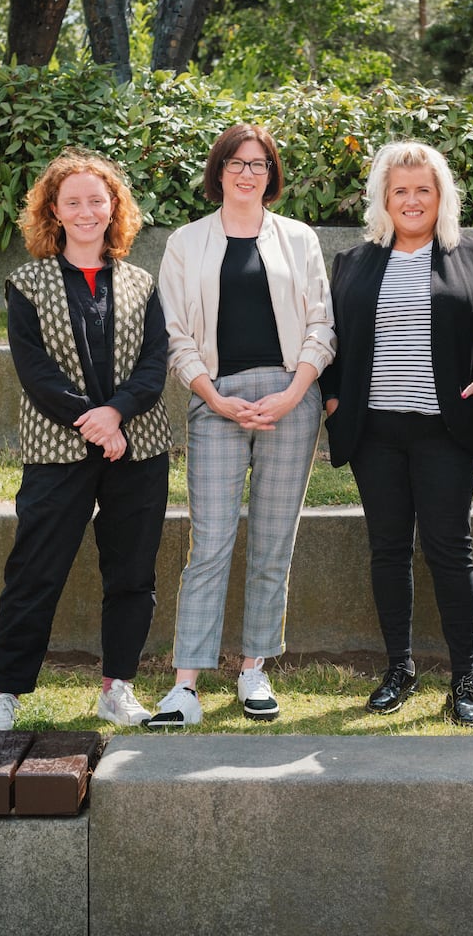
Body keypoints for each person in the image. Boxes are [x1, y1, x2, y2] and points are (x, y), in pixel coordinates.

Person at [0, 149, 171, 731]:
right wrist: (95, 420)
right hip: (56, 450)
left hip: (138, 448)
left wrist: (117, 416)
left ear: (114, 207)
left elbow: (154, 365)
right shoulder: (27, 283)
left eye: (97, 199)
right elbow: (36, 372)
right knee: (35, 571)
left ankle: (118, 688)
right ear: (54, 213)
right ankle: (7, 694)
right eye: (73, 202)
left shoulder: (140, 282)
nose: (86, 211)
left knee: (133, 572)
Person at [150, 123, 335, 727]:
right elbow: (176, 336)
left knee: (273, 542)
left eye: (259, 163)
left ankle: (254, 670)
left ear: (271, 173)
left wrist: (293, 393)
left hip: (290, 399)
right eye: (236, 161)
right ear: (219, 169)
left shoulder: (299, 239)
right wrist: (213, 397)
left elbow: (321, 328)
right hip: (216, 402)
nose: (248, 172)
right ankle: (186, 686)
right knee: (210, 544)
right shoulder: (186, 242)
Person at [320, 141, 473, 726]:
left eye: (423, 188)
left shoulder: (471, 254)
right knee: (388, 548)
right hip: (375, 431)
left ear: (441, 195)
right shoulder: (353, 261)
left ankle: (464, 680)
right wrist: (331, 396)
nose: (412, 199)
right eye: (400, 190)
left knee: (450, 550)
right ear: (383, 198)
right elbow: (329, 336)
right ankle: (399, 669)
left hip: (443, 431)